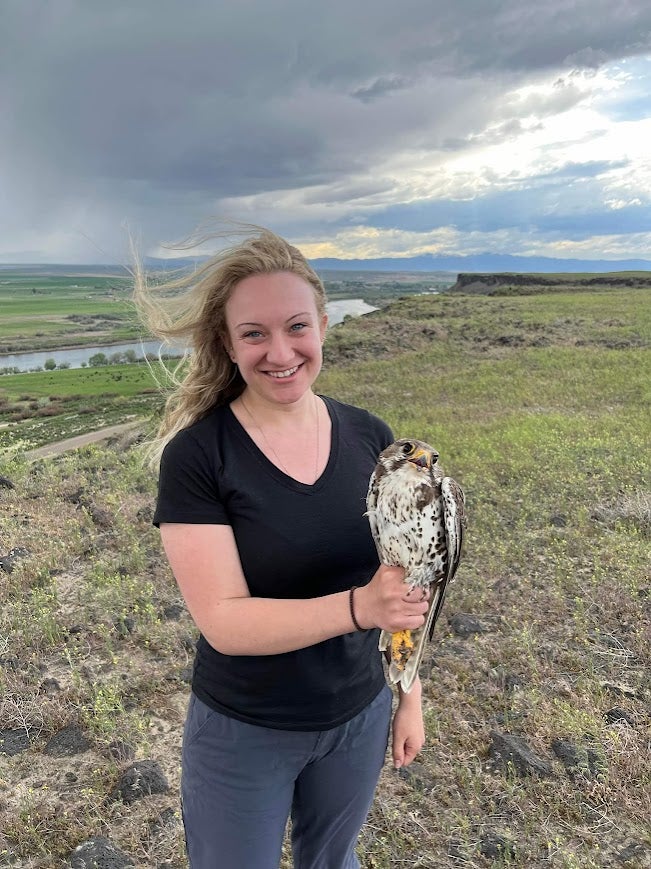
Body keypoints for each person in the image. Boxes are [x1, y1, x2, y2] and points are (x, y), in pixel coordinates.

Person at [135, 227, 429, 869]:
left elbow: (404, 588)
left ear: (323, 326)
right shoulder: (200, 457)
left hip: (359, 711)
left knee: (334, 861)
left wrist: (408, 697)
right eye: (254, 334)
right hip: (245, 729)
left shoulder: (369, 435)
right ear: (227, 344)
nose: (280, 352)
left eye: (297, 326)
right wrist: (358, 608)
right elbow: (225, 622)